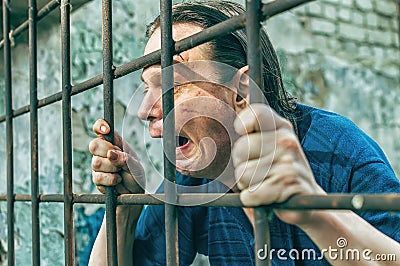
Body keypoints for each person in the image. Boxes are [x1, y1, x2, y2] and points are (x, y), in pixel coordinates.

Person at [88, 1, 400, 265]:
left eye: (171, 83)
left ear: (239, 89)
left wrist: (313, 211)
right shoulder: (194, 176)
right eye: (147, 88)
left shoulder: (340, 151)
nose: (144, 110)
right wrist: (123, 208)